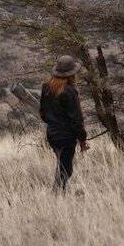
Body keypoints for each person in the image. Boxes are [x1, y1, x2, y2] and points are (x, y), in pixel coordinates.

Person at [39, 55, 88, 193]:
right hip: (66, 136)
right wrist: (83, 139)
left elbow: (42, 113)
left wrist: (53, 123)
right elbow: (77, 120)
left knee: (61, 166)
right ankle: (58, 196)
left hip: (52, 134)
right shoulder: (70, 91)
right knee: (66, 170)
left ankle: (59, 195)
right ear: (72, 74)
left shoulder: (46, 87)